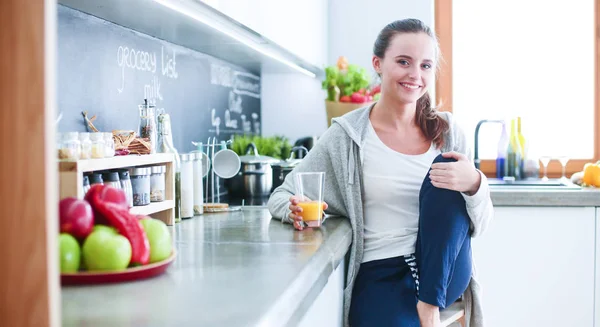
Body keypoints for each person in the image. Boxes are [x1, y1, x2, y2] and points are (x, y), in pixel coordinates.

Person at [267, 18, 493, 327]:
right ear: (378, 63)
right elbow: (282, 195)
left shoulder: (449, 133)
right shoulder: (346, 136)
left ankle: (428, 305)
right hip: (381, 270)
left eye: (426, 65)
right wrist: (295, 212)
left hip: (442, 269)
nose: (415, 74)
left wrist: (475, 184)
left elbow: (480, 223)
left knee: (447, 170)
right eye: (404, 62)